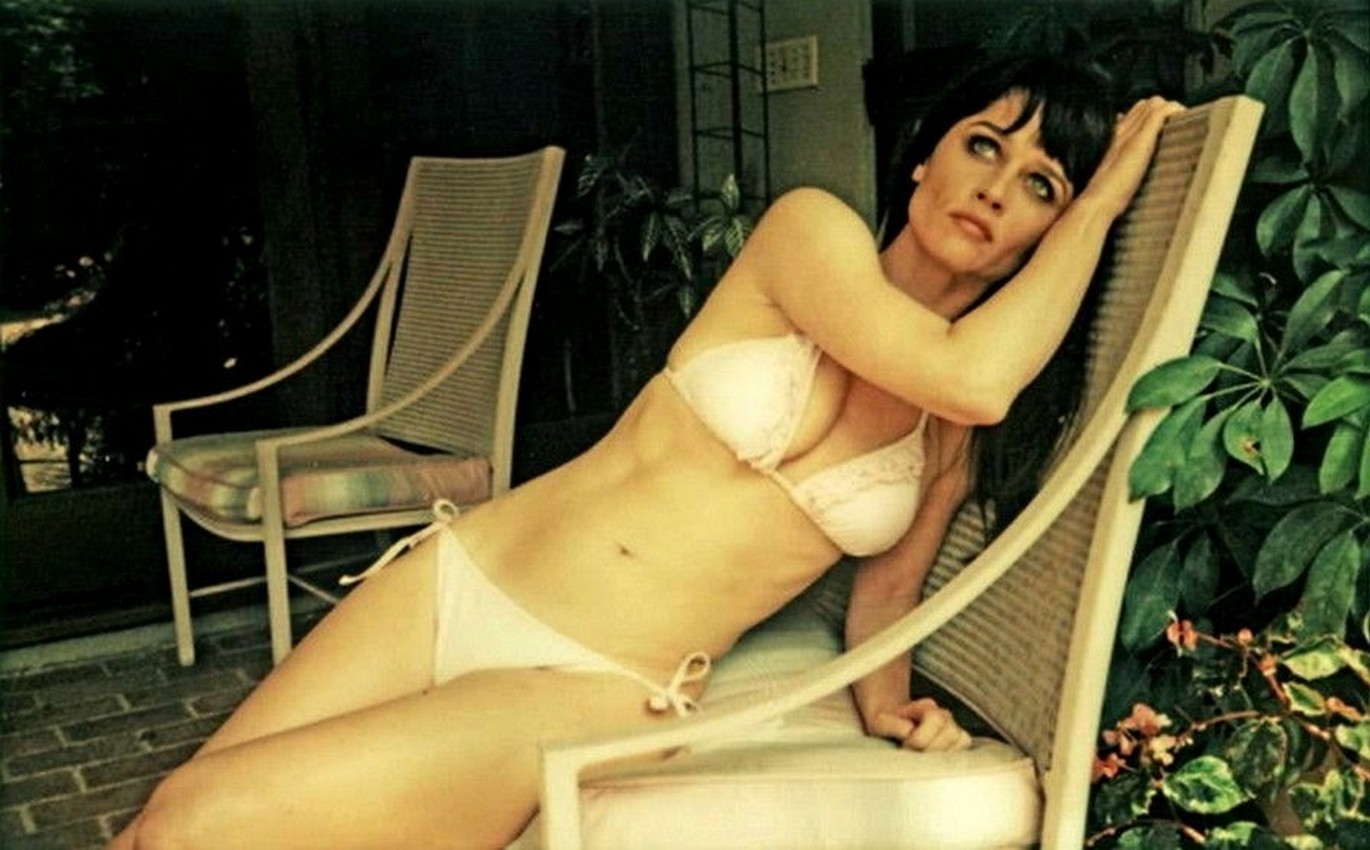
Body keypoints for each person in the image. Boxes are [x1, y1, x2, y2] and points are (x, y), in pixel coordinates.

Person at [112, 56, 1182, 849]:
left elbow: (890, 592)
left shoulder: (947, 434)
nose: (995, 187)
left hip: (591, 683)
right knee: (150, 827)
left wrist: (892, 709)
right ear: (922, 160)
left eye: (1041, 186)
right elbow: (964, 368)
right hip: (463, 575)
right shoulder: (810, 235)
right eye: (985, 145)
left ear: (1047, 239)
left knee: (191, 828)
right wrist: (1090, 200)